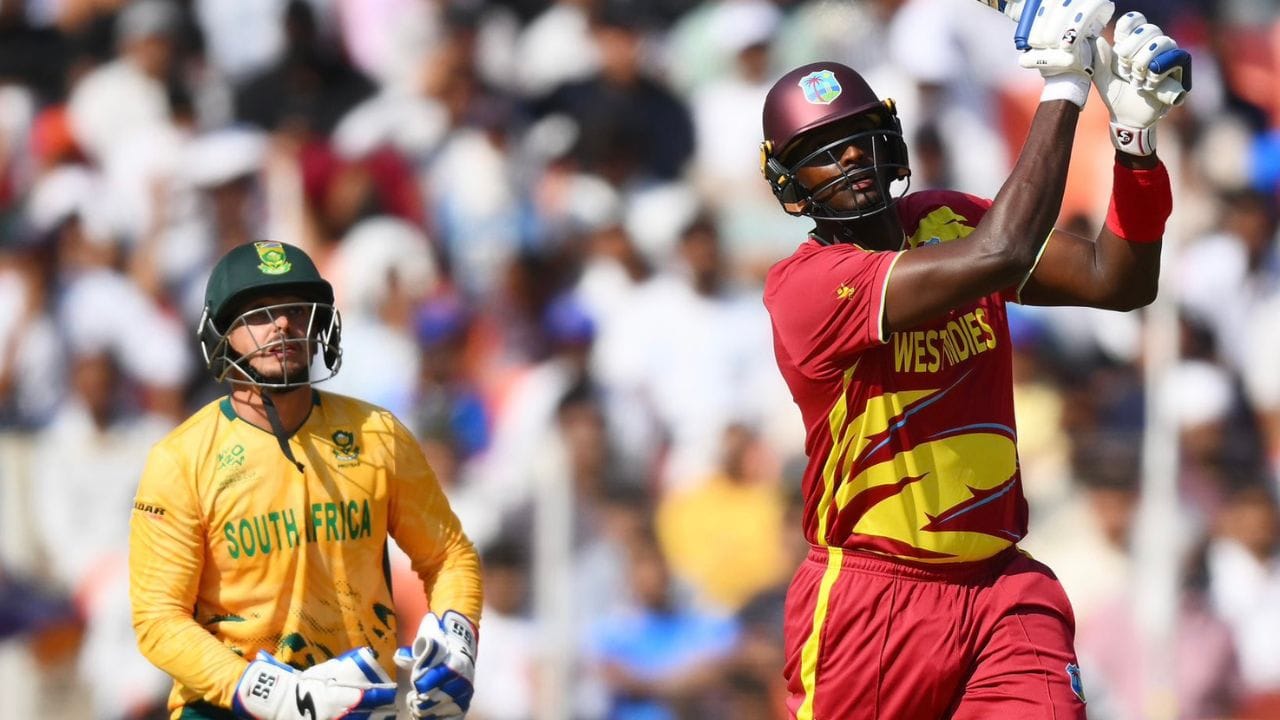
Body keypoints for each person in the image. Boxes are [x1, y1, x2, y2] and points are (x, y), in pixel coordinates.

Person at [758, 2, 1191, 719]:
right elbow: (1003, 252)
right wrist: (1064, 84)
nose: (851, 159)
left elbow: (1118, 281)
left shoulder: (945, 217)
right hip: (871, 598)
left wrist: (1134, 143)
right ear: (790, 185)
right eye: (823, 151)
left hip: (1000, 587)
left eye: (859, 138)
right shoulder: (805, 288)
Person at [128, 240, 483, 719]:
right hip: (227, 708)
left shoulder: (377, 434)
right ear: (222, 334)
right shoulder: (181, 459)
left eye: (297, 310)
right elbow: (158, 619)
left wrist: (457, 638)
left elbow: (448, 555)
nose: (282, 325)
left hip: (354, 705)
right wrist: (273, 694)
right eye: (259, 314)